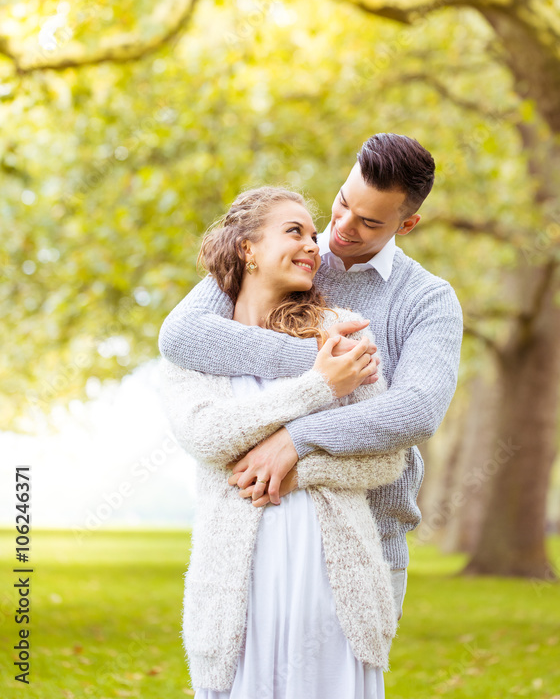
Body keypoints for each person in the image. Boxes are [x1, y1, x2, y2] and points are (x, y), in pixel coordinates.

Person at [159, 133, 464, 638]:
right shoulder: (276, 256)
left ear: (406, 224)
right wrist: (319, 367)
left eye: (369, 222)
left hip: (365, 539)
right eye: (343, 203)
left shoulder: (426, 299)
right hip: (253, 528)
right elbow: (183, 334)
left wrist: (296, 442)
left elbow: (416, 411)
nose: (340, 228)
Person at [157, 185, 409, 698]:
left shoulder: (341, 333)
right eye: (294, 230)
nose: (314, 244)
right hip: (241, 587)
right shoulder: (198, 340)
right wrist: (317, 386)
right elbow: (208, 436)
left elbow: (386, 457)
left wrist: (296, 466)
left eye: (315, 235)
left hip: (333, 588)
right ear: (247, 248)